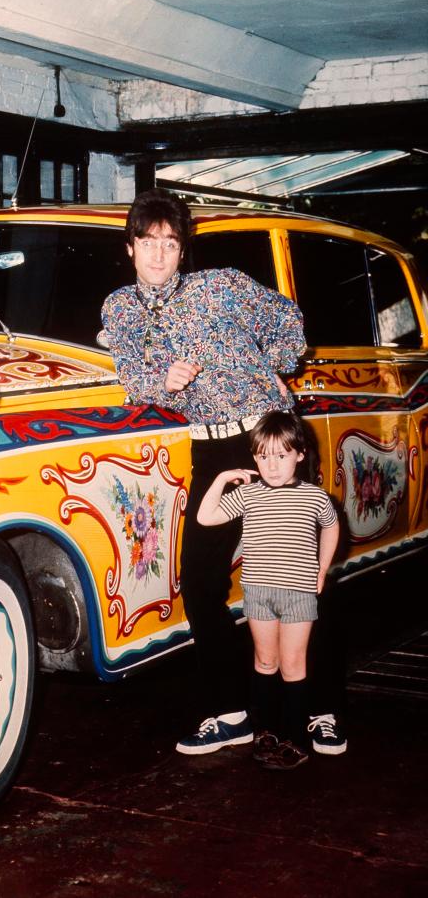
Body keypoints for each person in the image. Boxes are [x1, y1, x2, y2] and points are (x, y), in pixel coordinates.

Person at [97, 187, 306, 754]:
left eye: (170, 243)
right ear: (130, 247)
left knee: (289, 579)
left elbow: (288, 319)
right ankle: (233, 711)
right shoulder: (119, 309)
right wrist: (160, 381)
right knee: (202, 581)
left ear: (183, 249)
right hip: (209, 450)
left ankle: (315, 709)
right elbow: (129, 375)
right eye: (148, 242)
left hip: (266, 440)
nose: (159, 255)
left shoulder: (223, 286)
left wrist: (277, 371)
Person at [196, 411, 340, 769]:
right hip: (258, 593)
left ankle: (295, 736)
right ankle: (268, 731)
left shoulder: (314, 497)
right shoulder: (248, 494)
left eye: (281, 455)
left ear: (300, 454)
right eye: (263, 456)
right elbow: (205, 517)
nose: (272, 466)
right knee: (265, 661)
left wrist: (322, 568)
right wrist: (221, 478)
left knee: (293, 665)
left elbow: (332, 526)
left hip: (298, 595)